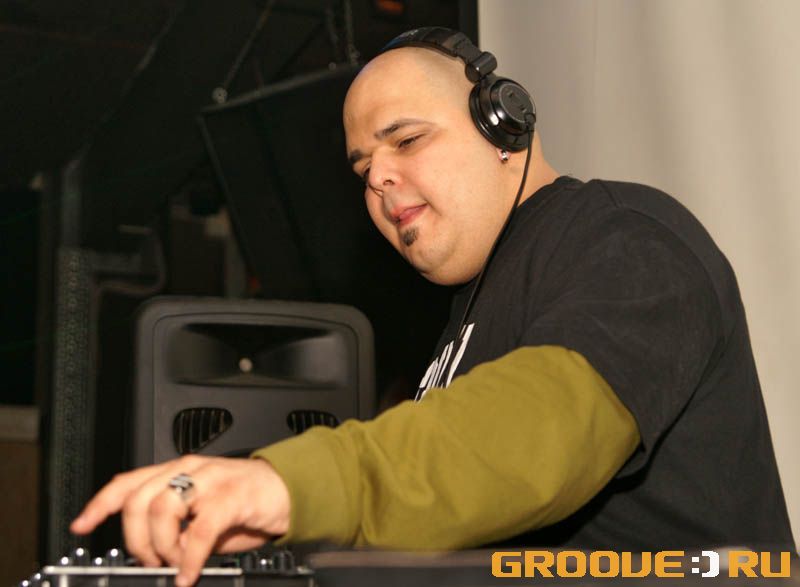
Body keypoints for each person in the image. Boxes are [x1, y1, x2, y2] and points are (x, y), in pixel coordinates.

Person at [71, 28, 795, 585]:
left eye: (407, 140)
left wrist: (291, 483)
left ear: (503, 125)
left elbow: (541, 432)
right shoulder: (466, 318)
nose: (379, 179)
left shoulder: (626, 235)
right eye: (363, 167)